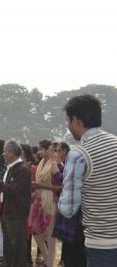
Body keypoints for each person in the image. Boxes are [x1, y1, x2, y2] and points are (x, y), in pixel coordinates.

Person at [58, 94, 117, 266]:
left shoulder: (79, 154)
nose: (68, 126)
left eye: (67, 121)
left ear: (76, 120)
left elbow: (68, 208)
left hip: (101, 243)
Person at [0, 140, 31, 267]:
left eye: (5, 151)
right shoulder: (11, 168)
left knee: (17, 247)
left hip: (16, 213)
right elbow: (5, 188)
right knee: (9, 246)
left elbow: (13, 190)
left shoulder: (22, 170)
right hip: (7, 212)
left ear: (12, 153)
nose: (3, 154)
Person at [32, 140, 61, 267]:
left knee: (50, 235)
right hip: (38, 199)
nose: (38, 152)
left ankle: (49, 263)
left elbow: (60, 187)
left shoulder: (57, 164)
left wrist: (40, 185)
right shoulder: (41, 163)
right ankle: (45, 257)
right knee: (36, 232)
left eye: (40, 149)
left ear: (48, 150)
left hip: (50, 200)